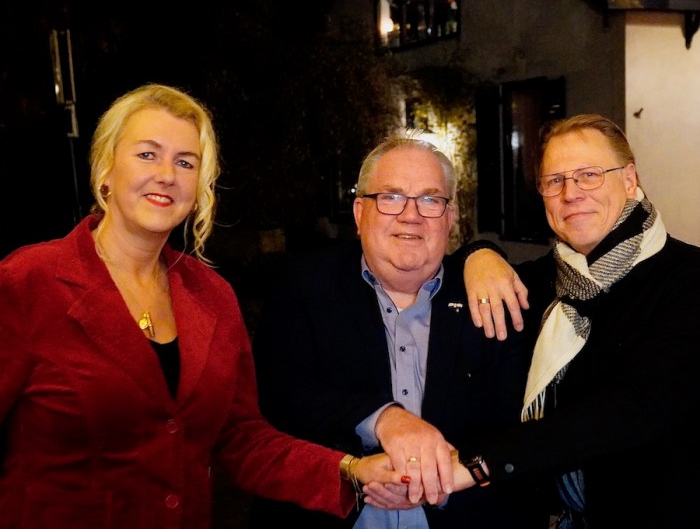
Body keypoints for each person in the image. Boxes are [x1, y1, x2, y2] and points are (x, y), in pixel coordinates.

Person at [0, 83, 407, 529]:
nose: (166, 175)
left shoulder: (212, 296)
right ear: (106, 170)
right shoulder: (28, 283)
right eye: (147, 154)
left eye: (185, 162)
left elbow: (240, 439)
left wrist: (352, 470)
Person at [368, 114, 700, 528]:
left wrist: (475, 465)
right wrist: (480, 254)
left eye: (589, 175)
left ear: (630, 180)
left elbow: (632, 408)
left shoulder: (687, 279)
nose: (571, 193)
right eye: (555, 181)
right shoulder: (544, 283)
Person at [249, 137, 545, 528]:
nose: (411, 215)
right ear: (360, 213)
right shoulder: (304, 287)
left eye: (430, 199)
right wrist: (382, 421)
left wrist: (440, 481)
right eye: (390, 197)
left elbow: (518, 432)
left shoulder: (492, 299)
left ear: (450, 217)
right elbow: (280, 401)